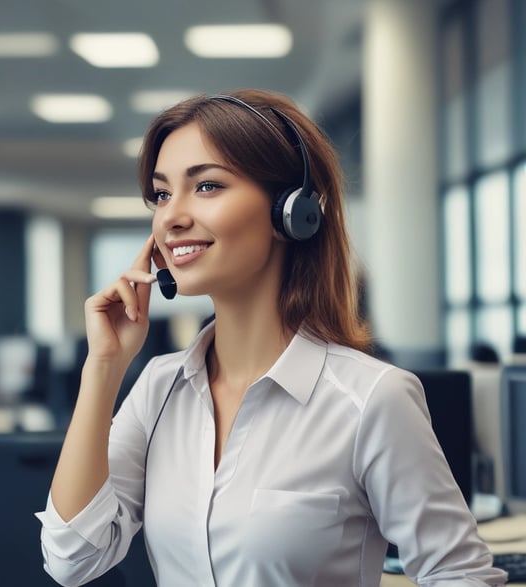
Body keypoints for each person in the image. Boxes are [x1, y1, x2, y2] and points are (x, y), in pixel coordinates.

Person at [36, 90, 506, 586]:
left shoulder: (370, 399)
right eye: (161, 194)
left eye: (207, 186)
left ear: (292, 211)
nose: (171, 216)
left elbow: (461, 575)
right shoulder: (158, 388)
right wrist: (104, 367)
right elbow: (71, 560)